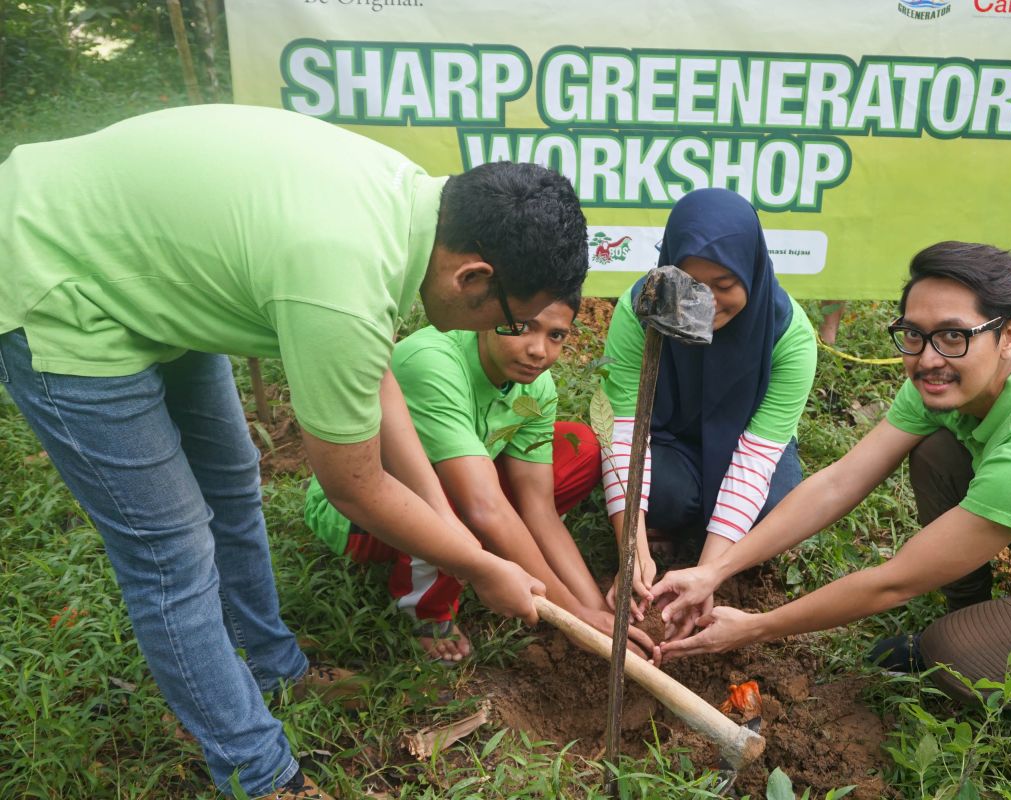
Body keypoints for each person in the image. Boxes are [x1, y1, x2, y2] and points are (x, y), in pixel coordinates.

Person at [0, 104, 588, 800]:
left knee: (231, 483)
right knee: (171, 553)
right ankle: (259, 772)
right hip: (57, 273)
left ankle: (272, 665)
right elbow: (355, 486)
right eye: (513, 319)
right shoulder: (341, 273)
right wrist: (480, 566)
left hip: (148, 263)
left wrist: (453, 535)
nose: (510, 334)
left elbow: (377, 386)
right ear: (473, 277)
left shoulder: (412, 213)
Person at [650, 242, 1011, 752]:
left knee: (957, 657)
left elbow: (896, 581)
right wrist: (715, 572)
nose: (929, 357)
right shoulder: (956, 383)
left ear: (1009, 334)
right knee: (940, 451)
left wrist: (756, 626)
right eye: (914, 335)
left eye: (954, 335)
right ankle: (988, 616)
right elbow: (842, 480)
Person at [304, 297, 654, 662]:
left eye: (556, 335)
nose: (538, 350)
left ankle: (499, 556)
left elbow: (541, 511)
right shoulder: (432, 363)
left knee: (579, 448)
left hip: (465, 487)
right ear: (488, 315)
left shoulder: (536, 386)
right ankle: (426, 611)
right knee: (457, 494)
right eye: (521, 327)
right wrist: (574, 619)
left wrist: (596, 611)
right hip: (360, 514)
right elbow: (481, 505)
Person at [599, 188, 817, 627]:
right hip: (668, 436)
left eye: (724, 286)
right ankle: (665, 524)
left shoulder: (789, 337)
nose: (708, 303)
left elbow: (757, 458)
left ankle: (707, 535)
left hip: (745, 442)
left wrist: (709, 572)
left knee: (775, 506)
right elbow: (624, 434)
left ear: (752, 273)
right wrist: (633, 553)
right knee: (665, 494)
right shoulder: (640, 310)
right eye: (692, 286)